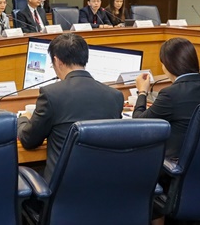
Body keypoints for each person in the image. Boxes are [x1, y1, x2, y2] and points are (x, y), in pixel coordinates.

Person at [129, 37, 200, 225]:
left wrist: (142, 92)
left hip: (175, 168)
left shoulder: (170, 94)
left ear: (167, 65)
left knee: (141, 161)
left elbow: (138, 122)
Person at [17, 33, 124, 179]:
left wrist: (23, 119)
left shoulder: (51, 94)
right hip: (104, 182)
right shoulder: (115, 96)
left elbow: (29, 140)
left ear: (57, 61)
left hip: (63, 186)